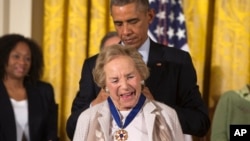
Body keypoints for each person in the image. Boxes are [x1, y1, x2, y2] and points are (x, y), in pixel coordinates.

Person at [66, 0, 210, 139]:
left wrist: (157, 106)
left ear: (150, 16)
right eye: (119, 24)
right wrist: (95, 104)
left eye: (133, 21)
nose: (126, 31)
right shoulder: (94, 64)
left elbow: (200, 123)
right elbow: (72, 129)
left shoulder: (178, 62)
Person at [73, 44, 184, 141]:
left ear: (141, 75)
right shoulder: (87, 118)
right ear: (105, 85)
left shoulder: (167, 115)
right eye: (115, 80)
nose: (125, 86)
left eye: (130, 77)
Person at [0, 34, 58, 141]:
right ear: (3, 56)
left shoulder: (44, 91)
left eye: (27, 58)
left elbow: (51, 133)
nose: (22, 62)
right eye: (16, 56)